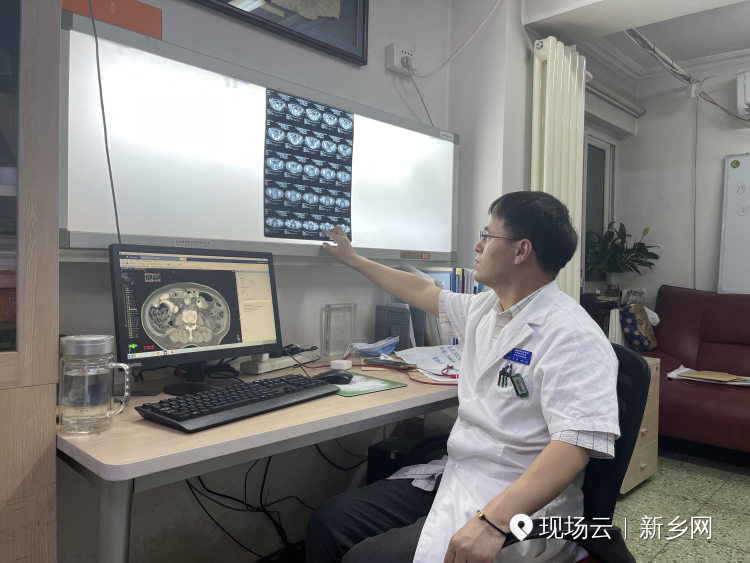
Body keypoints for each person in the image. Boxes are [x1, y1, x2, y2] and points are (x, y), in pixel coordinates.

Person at [306, 191, 620, 563]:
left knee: (366, 559)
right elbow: (422, 290)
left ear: (521, 250)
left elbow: (573, 448)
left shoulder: (573, 335)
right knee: (329, 520)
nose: (477, 245)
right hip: (461, 477)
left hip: (519, 507)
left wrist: (493, 522)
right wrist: (354, 259)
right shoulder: (487, 308)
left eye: (487, 235)